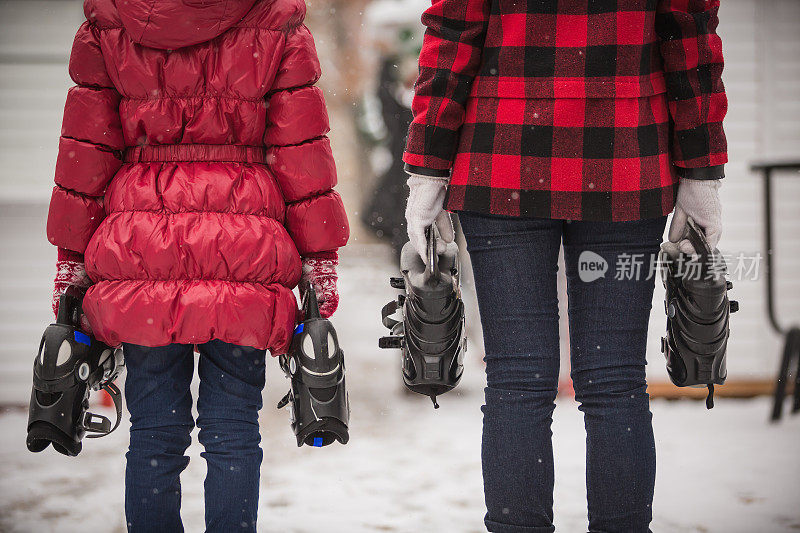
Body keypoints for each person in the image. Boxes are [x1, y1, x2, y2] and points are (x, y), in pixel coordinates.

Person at [404, 0, 726, 531]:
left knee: (517, 381)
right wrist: (701, 168)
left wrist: (429, 168)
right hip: (626, 156)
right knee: (615, 381)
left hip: (502, 156)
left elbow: (453, 34)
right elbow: (690, 35)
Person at [46, 0, 349, 531]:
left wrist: (72, 256)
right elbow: (299, 147)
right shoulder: (276, 18)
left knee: (154, 436)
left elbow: (88, 148)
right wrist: (318, 256)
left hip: (142, 243)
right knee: (232, 430)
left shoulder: (111, 21)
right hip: (245, 242)